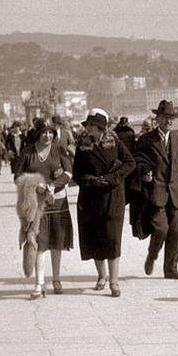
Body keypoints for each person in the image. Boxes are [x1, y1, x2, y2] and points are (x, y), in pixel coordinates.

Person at [74, 111, 136, 297]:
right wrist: (90, 180)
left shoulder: (115, 142)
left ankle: (114, 282)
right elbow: (77, 172)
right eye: (87, 125)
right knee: (95, 237)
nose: (88, 128)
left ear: (101, 127)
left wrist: (112, 178)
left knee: (112, 238)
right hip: (90, 197)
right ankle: (102, 276)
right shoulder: (82, 145)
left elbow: (129, 163)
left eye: (92, 125)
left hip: (112, 197)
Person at [134, 100, 178, 279]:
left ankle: (171, 269)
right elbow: (137, 160)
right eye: (166, 117)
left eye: (172, 118)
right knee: (161, 229)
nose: (170, 121)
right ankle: (152, 255)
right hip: (155, 192)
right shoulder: (146, 140)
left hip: (174, 193)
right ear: (158, 118)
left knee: (176, 233)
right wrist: (144, 172)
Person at [14, 124, 73, 297]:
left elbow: (69, 172)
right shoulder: (27, 151)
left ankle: (56, 279)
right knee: (39, 242)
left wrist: (53, 186)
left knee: (57, 242)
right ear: (37, 134)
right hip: (36, 204)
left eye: (50, 133)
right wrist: (34, 184)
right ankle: (39, 283)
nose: (47, 136)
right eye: (44, 133)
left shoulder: (59, 149)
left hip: (58, 201)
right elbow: (17, 176)